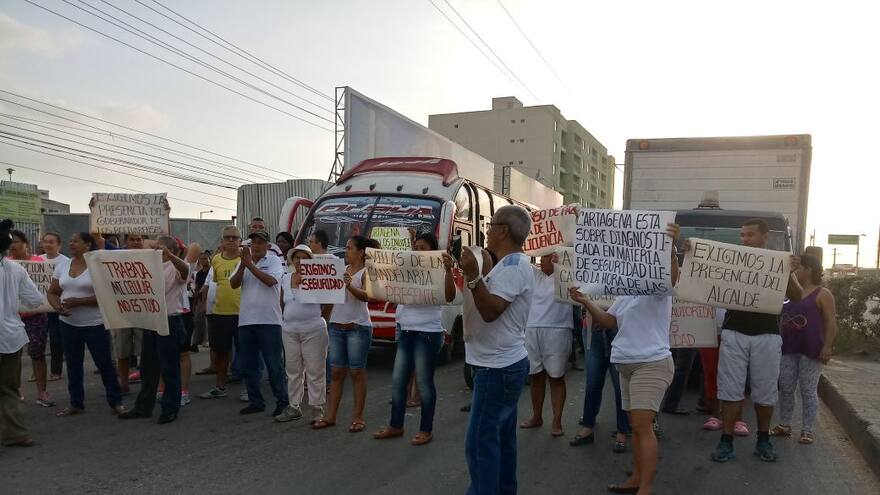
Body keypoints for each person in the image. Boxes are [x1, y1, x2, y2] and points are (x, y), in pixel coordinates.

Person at [570, 222, 679, 495]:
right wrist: (586, 302)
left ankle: (646, 487)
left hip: (651, 363)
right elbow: (608, 321)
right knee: (636, 427)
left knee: (642, 426)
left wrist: (671, 250)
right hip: (626, 364)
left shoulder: (659, 287)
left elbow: (673, 276)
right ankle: (637, 479)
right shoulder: (627, 290)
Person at [708, 218, 803, 463]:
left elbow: (797, 296)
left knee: (766, 390)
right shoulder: (731, 261)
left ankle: (763, 439)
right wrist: (692, 255)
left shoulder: (778, 263)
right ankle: (726, 440)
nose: (745, 239)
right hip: (734, 331)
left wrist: (789, 274)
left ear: (764, 236)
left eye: (750, 235)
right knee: (729, 389)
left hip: (767, 335)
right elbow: (705, 278)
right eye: (742, 235)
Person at [459, 205, 534, 495]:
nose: (487, 230)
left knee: (480, 442)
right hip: (500, 365)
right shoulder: (507, 265)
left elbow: (491, 311)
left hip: (497, 368)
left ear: (503, 230)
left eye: (491, 225)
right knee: (500, 440)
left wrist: (474, 276)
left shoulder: (514, 268)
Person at [373, 233, 456, 445]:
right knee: (398, 381)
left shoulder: (438, 269)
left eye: (422, 247)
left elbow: (449, 296)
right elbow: (386, 290)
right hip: (406, 330)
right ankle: (396, 425)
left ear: (433, 251)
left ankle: (426, 429)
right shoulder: (404, 270)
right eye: (415, 246)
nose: (417, 250)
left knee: (424, 383)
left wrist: (447, 270)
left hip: (427, 333)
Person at [47, 233, 126, 417]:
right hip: (68, 324)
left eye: (75, 241)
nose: (71, 243)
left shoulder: (97, 265)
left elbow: (108, 294)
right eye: (71, 240)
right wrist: (57, 306)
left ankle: (116, 402)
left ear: (88, 244)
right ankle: (76, 403)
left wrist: (78, 302)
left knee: (104, 363)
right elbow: (52, 292)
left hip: (94, 324)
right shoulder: (63, 265)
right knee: (73, 364)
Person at [118, 237, 189, 424]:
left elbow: (185, 270)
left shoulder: (175, 266)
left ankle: (170, 408)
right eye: (155, 247)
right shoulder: (148, 267)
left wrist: (171, 256)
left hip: (170, 321)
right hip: (151, 321)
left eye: (161, 248)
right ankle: (144, 407)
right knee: (148, 368)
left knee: (169, 368)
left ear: (172, 250)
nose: (156, 250)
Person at [771, 254, 837, 445]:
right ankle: (784, 424)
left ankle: (807, 430)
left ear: (808, 269)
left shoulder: (823, 294)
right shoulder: (787, 292)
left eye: (798, 269)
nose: (795, 272)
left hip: (812, 349)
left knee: (808, 390)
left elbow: (831, 322)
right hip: (788, 347)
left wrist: (827, 346)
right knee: (786, 387)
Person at [313, 235, 372, 432]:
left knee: (357, 372)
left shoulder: (366, 272)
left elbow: (367, 297)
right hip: (337, 326)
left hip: (358, 327)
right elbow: (331, 296)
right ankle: (330, 416)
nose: (345, 251)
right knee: (337, 373)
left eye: (349, 248)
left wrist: (349, 285)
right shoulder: (341, 270)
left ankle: (358, 418)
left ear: (361, 252)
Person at [230, 229, 289, 417]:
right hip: (246, 321)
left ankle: (282, 401)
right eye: (253, 242)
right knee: (249, 365)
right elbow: (233, 284)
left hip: (269, 321)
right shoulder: (244, 262)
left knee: (274, 364)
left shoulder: (273, 261)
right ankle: (256, 401)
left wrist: (249, 265)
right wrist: (243, 265)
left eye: (260, 243)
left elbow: (270, 281)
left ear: (267, 246)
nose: (255, 246)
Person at [518, 253, 574, 438]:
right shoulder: (533, 274)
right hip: (532, 329)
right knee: (535, 376)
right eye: (541, 256)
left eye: (547, 256)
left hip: (558, 329)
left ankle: (556, 421)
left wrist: (564, 264)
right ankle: (537, 417)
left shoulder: (566, 274)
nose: (542, 259)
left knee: (556, 377)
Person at [1, 220, 44, 447]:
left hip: (9, 335)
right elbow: (35, 300)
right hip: (11, 336)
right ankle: (17, 434)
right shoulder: (16, 269)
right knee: (8, 388)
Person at [275, 244, 329, 423]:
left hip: (313, 328)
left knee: (315, 369)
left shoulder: (318, 277)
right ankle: (294, 406)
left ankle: (317, 407)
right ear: (292, 260)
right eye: (297, 257)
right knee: (293, 370)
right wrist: (285, 320)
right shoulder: (285, 278)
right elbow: (283, 302)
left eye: (304, 257)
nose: (300, 261)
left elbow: (330, 300)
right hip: (290, 330)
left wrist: (322, 319)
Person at [569, 310, 630, 453]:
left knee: (620, 385)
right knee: (593, 381)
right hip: (593, 326)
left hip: (619, 327)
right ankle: (588, 426)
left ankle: (622, 431)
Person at [7, 230, 55, 407]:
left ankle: (42, 392)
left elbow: (45, 289)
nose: (13, 246)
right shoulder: (6, 265)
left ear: (25, 243)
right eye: (10, 242)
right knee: (13, 354)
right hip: (12, 317)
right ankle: (16, 389)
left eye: (17, 242)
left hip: (36, 316)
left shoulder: (38, 263)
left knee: (37, 353)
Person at [200, 227, 242, 399]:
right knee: (221, 353)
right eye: (227, 238)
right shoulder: (216, 259)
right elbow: (214, 283)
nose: (231, 240)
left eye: (234, 237)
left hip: (242, 314)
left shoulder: (245, 259)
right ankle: (220, 386)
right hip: (220, 313)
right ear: (222, 241)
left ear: (240, 240)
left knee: (245, 353)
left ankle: (249, 389)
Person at [113, 234, 146, 394]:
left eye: (139, 239)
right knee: (122, 351)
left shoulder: (150, 256)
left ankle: (147, 383)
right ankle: (124, 383)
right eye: (132, 239)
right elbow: (98, 242)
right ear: (126, 241)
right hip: (122, 311)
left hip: (144, 310)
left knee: (145, 351)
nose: (136, 242)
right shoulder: (115, 257)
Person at [41, 231, 68, 381]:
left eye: (51, 242)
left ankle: (56, 370)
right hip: (38, 306)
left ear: (59, 245)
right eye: (45, 241)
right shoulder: (36, 260)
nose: (48, 244)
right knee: (37, 341)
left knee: (56, 339)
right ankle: (36, 371)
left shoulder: (65, 262)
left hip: (56, 306)